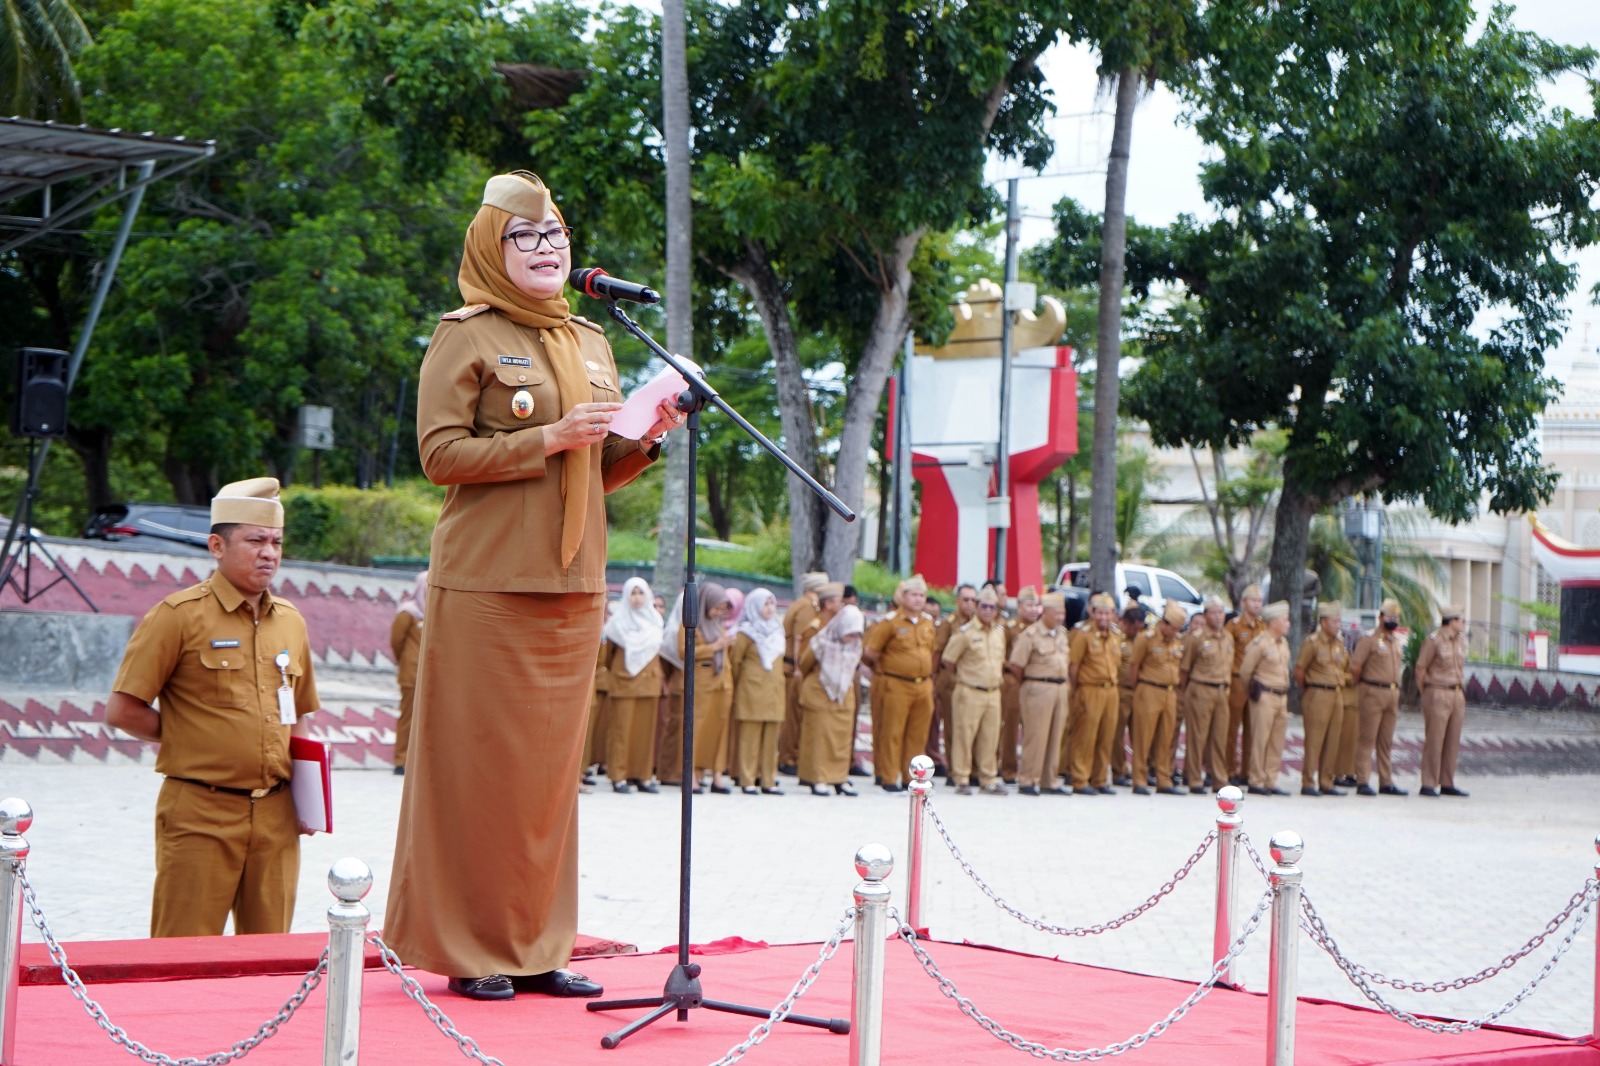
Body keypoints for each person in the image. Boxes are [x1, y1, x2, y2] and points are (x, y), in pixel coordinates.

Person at [383, 171, 682, 1002]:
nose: (548, 247)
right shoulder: (466, 335)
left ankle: (537, 944)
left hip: (573, 586)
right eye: (527, 235)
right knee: (478, 769)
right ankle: (468, 947)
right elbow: (439, 455)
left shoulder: (592, 339)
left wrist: (646, 435)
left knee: (548, 782)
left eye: (557, 233)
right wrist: (547, 437)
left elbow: (594, 469)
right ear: (493, 246)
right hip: (489, 584)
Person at [103, 477, 320, 938]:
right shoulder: (178, 615)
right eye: (255, 541)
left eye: (277, 542)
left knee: (269, 955)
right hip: (200, 811)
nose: (269, 553)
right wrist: (193, 735)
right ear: (217, 546)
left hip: (276, 815)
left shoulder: (291, 622)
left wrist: (308, 801)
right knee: (183, 953)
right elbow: (123, 710)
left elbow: (298, 715)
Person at [862, 574, 937, 792]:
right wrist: (888, 668)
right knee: (892, 732)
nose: (918, 599)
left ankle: (910, 776)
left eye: (922, 595)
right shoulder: (891, 622)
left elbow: (930, 651)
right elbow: (871, 652)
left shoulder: (928, 623)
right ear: (904, 597)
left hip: (923, 685)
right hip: (896, 683)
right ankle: (888, 776)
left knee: (917, 734)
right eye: (914, 595)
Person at [940, 586, 1009, 795]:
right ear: (977, 607)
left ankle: (988, 779)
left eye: (992, 607)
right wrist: (964, 677)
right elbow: (948, 660)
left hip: (993, 692)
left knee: (990, 737)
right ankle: (961, 778)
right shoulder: (966, 632)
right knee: (964, 736)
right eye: (984, 606)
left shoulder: (999, 633)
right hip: (969, 690)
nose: (988, 610)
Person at [603, 577, 664, 794]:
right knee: (621, 731)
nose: (637, 598)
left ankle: (642, 776)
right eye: (633, 593)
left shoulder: (655, 621)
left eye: (641, 593)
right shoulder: (616, 624)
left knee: (644, 733)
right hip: (624, 682)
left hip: (649, 682)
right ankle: (618, 776)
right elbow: (607, 656)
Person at [1006, 591, 1070, 795]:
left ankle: (1048, 780)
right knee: (1036, 735)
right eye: (1056, 613)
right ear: (1046, 613)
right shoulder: (1030, 634)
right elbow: (1016, 665)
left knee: (1055, 736)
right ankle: (1028, 779)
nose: (1060, 617)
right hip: (1037, 687)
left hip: (1060, 688)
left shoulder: (1061, 633)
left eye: (1062, 613)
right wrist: (1031, 682)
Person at [798, 603, 865, 795]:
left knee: (842, 740)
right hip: (820, 693)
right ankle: (818, 778)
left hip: (843, 697)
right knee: (819, 739)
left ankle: (839, 778)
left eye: (857, 633)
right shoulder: (821, 641)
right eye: (850, 632)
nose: (852, 637)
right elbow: (804, 664)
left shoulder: (855, 646)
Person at [729, 588, 786, 794]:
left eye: (772, 603)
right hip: (752, 691)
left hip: (774, 691)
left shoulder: (778, 629)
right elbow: (735, 662)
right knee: (750, 738)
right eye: (765, 604)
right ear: (754, 606)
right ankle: (748, 780)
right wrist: (742, 684)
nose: (769, 608)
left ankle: (768, 780)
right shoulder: (745, 632)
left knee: (771, 739)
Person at [682, 582, 736, 794]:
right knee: (697, 729)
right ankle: (691, 775)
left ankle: (716, 773)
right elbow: (683, 651)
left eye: (722, 609)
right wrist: (714, 647)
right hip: (702, 684)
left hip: (722, 683)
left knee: (719, 730)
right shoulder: (691, 623)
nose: (719, 612)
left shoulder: (719, 624)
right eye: (716, 607)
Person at [1350, 598, 1407, 796]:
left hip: (1392, 694)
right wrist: (1362, 687)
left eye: (1396, 617)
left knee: (1386, 741)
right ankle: (1363, 781)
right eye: (1390, 617)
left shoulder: (1395, 641)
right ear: (1380, 617)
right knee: (1367, 739)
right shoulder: (1369, 639)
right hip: (1372, 692)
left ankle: (1386, 782)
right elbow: (1355, 667)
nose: (1393, 620)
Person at [1128, 603, 1186, 795]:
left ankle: (1164, 779)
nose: (1175, 632)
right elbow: (1134, 666)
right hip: (1149, 689)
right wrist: (1139, 690)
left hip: (1170, 692)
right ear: (1165, 623)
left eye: (1178, 629)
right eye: (1173, 628)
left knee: (1166, 737)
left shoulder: (1177, 640)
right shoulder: (1146, 638)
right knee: (1143, 737)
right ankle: (1139, 779)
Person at [1068, 593, 1123, 795]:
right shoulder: (1083, 634)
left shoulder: (1116, 635)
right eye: (1099, 613)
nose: (1103, 617)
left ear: (1113, 614)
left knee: (1106, 736)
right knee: (1086, 736)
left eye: (1107, 613)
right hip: (1089, 689)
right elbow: (1074, 666)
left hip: (1111, 690)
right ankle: (1080, 779)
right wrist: (1077, 690)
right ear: (1092, 613)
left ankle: (1099, 779)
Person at [1294, 601, 1350, 796]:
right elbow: (1299, 670)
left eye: (1339, 621)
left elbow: (1344, 667)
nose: (1338, 625)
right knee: (1314, 740)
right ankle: (1308, 782)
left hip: (1337, 694)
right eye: (1335, 621)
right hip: (1317, 694)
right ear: (1324, 622)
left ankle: (1326, 781)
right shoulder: (1312, 642)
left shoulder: (1340, 643)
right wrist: (1310, 688)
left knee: (1333, 740)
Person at [1178, 595, 1233, 793]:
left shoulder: (1228, 637)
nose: (1218, 616)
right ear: (1205, 615)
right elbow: (1185, 669)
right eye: (1213, 613)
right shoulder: (1197, 637)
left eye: (1221, 612)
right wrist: (1186, 692)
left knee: (1219, 738)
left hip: (1222, 690)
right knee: (1197, 737)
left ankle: (1219, 778)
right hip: (1200, 688)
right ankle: (1194, 778)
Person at [777, 572, 829, 775]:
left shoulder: (803, 604)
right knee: (793, 717)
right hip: (794, 669)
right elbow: (802, 639)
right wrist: (800, 668)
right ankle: (788, 757)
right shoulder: (807, 607)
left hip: (794, 667)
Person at [1415, 604, 1469, 798]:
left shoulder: (1460, 641)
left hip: (1457, 692)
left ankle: (1447, 782)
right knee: (1435, 739)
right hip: (1437, 691)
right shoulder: (1434, 641)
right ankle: (1428, 783)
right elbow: (1421, 669)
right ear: (1452, 621)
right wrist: (1426, 693)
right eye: (1461, 620)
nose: (1464, 623)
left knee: (1452, 740)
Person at [1240, 600, 1292, 796]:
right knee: (1260, 740)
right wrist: (1254, 692)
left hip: (1281, 696)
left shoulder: (1283, 643)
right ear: (1274, 622)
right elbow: (1245, 672)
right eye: (1285, 620)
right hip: (1264, 696)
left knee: (1276, 742)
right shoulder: (1260, 643)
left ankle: (1271, 780)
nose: (1288, 623)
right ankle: (1256, 780)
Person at [928, 584, 978, 777]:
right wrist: (933, 679)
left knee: (972, 727)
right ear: (957, 601)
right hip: (950, 680)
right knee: (952, 726)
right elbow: (937, 652)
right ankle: (952, 769)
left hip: (972, 680)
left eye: (973, 600)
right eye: (965, 599)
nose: (969, 604)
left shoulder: (978, 623)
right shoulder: (949, 623)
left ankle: (972, 768)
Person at [1224, 584, 1267, 785]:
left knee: (1253, 729)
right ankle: (1229, 769)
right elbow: (1226, 654)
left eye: (1259, 601)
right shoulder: (1233, 626)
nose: (1257, 604)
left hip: (1256, 683)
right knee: (1231, 728)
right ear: (1243, 603)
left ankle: (1247, 771)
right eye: (1253, 600)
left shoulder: (1263, 627)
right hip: (1236, 680)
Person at [998, 587, 1040, 782]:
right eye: (1029, 605)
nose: (1033, 609)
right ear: (1019, 606)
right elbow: (1000, 654)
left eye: (1036, 605)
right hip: (1013, 682)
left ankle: (1031, 770)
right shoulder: (1009, 628)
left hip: (1036, 683)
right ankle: (1008, 769)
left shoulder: (1041, 629)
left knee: (1034, 728)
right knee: (1011, 728)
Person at [390, 570, 427, 776]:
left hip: (432, 677)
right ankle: (401, 760)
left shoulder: (436, 614)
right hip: (411, 675)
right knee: (408, 717)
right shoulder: (408, 613)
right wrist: (406, 663)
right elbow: (396, 642)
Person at [1110, 605, 1145, 786]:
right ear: (1125, 623)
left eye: (1140, 629)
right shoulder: (1116, 640)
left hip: (1139, 692)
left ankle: (1139, 771)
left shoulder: (1143, 640)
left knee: (1140, 734)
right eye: (1134, 628)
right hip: (1121, 690)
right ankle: (1119, 771)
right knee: (1117, 734)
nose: (1136, 632)